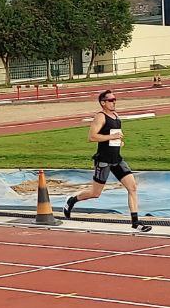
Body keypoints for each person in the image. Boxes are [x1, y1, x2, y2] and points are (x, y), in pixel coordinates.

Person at [63, 89, 153, 232]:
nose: (114, 102)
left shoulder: (116, 115)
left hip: (117, 159)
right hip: (103, 160)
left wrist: (119, 141)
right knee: (95, 193)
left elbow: (114, 135)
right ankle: (72, 200)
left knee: (132, 187)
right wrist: (111, 138)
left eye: (115, 99)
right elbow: (92, 137)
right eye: (111, 100)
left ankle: (135, 222)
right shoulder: (100, 117)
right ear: (103, 103)